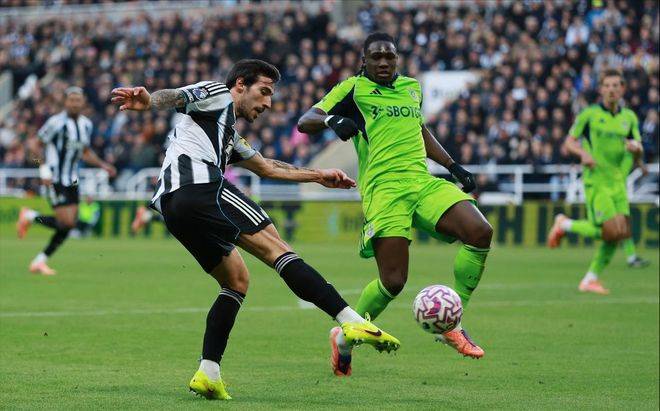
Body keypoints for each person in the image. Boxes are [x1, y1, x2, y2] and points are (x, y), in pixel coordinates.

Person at [110, 59, 400, 399]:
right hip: (200, 186)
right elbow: (176, 96)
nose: (268, 103)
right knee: (278, 248)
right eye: (264, 92)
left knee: (236, 280)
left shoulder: (226, 132)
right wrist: (148, 101)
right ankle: (350, 319)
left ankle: (208, 372)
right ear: (240, 85)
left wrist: (319, 175)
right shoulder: (217, 93)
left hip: (174, 206)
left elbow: (266, 167)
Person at [298, 33, 493, 376]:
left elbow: (420, 130)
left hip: (422, 182)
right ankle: (344, 337)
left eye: (389, 56)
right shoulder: (353, 89)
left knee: (480, 231)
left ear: (397, 59)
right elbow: (306, 120)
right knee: (393, 281)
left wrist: (452, 165)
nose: (384, 62)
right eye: (376, 57)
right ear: (365, 60)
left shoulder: (411, 88)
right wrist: (332, 120)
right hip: (384, 190)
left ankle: (452, 324)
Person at [547, 68, 647, 294]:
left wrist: (637, 152)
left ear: (622, 89)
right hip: (597, 181)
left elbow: (637, 149)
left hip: (618, 183)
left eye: (615, 85)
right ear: (601, 89)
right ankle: (564, 225)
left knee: (618, 233)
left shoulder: (629, 118)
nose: (611, 89)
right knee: (610, 229)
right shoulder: (589, 115)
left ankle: (589, 279)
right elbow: (569, 142)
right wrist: (583, 153)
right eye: (607, 85)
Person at [16, 87, 116, 275]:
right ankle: (28, 216)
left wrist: (103, 165)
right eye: (71, 100)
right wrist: (43, 168)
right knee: (67, 222)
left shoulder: (86, 125)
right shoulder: (56, 123)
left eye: (78, 100)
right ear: (65, 102)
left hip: (72, 180)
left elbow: (84, 151)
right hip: (54, 179)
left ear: (83, 102)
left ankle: (39, 261)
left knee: (69, 225)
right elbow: (33, 146)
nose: (75, 104)